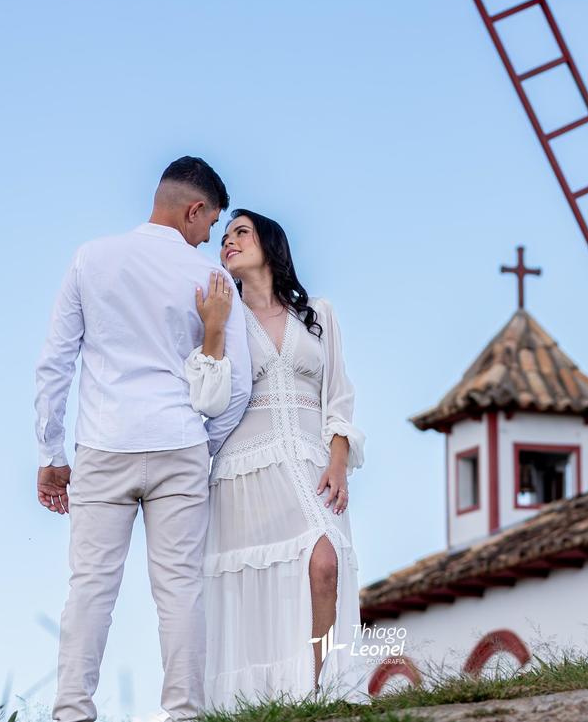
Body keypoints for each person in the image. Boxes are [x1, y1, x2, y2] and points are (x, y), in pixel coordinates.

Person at [33, 156, 252, 722]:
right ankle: (184, 714)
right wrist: (203, 443)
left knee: (90, 587)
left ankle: (71, 712)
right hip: (180, 441)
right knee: (180, 589)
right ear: (194, 210)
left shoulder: (91, 258)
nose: (208, 239)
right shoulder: (210, 279)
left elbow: (55, 363)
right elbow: (240, 383)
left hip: (104, 443)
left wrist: (51, 453)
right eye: (210, 224)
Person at [184, 208, 370, 711]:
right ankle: (260, 703)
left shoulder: (319, 313)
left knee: (325, 562)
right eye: (224, 236)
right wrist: (213, 329)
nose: (228, 241)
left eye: (241, 232)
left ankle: (318, 692)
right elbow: (207, 399)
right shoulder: (225, 317)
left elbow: (340, 397)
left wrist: (338, 460)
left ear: (270, 243)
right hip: (245, 472)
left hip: (312, 465)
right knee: (254, 587)